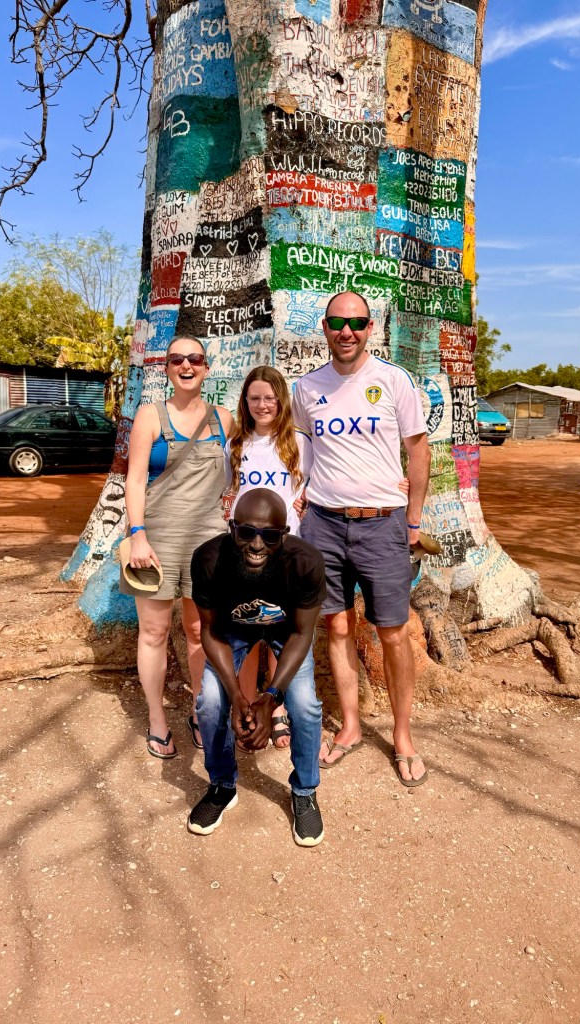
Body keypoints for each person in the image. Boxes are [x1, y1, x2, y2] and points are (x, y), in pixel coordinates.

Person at [292, 291, 432, 785]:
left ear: (370, 328)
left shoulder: (394, 381)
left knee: (392, 632)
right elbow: (301, 450)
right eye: (336, 322)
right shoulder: (306, 389)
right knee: (338, 628)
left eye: (356, 323)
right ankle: (350, 726)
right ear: (325, 329)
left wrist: (412, 521)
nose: (346, 331)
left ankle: (402, 735)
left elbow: (417, 452)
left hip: (383, 524)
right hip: (323, 526)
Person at [188, 489, 327, 846]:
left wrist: (270, 697)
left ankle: (304, 790)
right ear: (231, 527)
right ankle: (221, 785)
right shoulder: (208, 559)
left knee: (305, 705)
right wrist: (237, 695)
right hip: (231, 631)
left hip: (287, 633)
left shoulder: (305, 562)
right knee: (211, 703)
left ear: (284, 534)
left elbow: (301, 633)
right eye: (246, 532)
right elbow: (210, 631)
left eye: (269, 535)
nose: (256, 544)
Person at [123, 336, 233, 759]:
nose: (186, 365)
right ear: (167, 368)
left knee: (199, 633)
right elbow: (134, 480)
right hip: (156, 540)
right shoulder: (150, 417)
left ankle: (200, 711)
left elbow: (264, 456)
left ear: (206, 367)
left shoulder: (224, 419)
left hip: (209, 542)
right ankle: (157, 719)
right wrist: (137, 534)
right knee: (153, 632)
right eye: (177, 360)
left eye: (195, 359)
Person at [224, 366, 313, 748]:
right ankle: (244, 705)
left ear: (281, 401)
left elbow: (316, 486)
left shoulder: (298, 443)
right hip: (243, 554)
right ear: (246, 402)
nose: (263, 405)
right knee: (247, 633)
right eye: (255, 397)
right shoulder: (236, 445)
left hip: (285, 552)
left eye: (270, 398)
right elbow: (227, 491)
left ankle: (274, 707)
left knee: (279, 630)